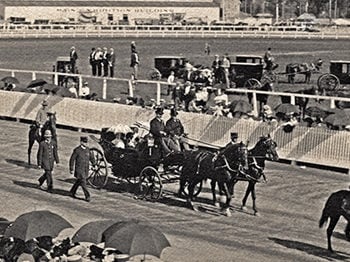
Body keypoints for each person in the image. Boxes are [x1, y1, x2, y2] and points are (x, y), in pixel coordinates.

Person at [69, 136, 92, 202]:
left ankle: (72, 191)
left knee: (79, 181)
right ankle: (87, 196)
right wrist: (71, 168)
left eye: (86, 142)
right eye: (84, 142)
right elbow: (72, 159)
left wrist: (94, 164)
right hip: (79, 169)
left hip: (85, 169)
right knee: (83, 182)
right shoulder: (77, 150)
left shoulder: (88, 150)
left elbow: (91, 158)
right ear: (81, 142)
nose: (86, 143)